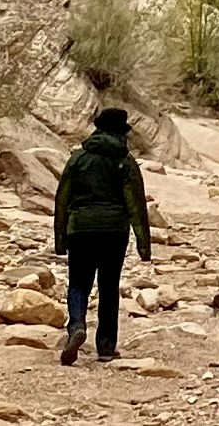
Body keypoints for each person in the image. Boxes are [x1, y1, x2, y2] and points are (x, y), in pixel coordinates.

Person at [52, 105, 152, 365]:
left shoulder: (78, 159)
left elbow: (62, 199)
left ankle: (76, 326)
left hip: (81, 229)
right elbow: (135, 204)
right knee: (108, 287)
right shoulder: (125, 161)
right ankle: (106, 347)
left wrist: (60, 239)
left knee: (78, 284)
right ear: (122, 132)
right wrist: (144, 245)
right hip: (113, 232)